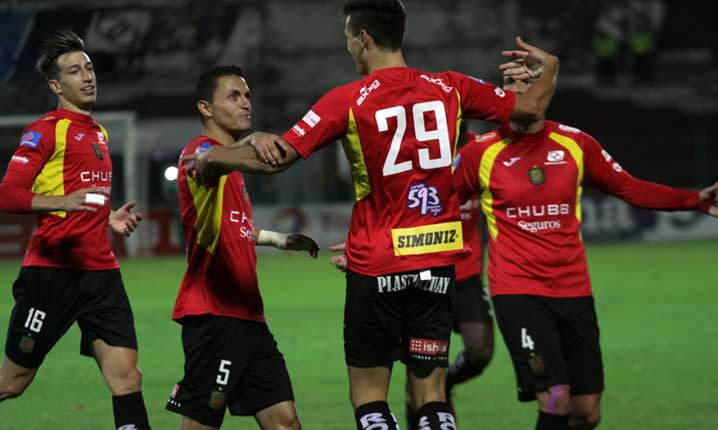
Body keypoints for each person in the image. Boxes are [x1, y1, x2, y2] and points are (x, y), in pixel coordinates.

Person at [183, 1, 559, 428]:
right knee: (432, 396)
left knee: (369, 397)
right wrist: (551, 67)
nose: (347, 47)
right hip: (436, 263)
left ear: (362, 38)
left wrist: (217, 159)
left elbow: (279, 158)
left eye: (347, 38)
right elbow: (530, 109)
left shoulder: (346, 100)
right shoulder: (452, 86)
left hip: (375, 263)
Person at [452, 68, 718, 430]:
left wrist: (693, 201)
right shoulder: (480, 152)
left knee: (586, 412)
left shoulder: (575, 144)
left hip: (573, 289)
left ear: (544, 93)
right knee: (555, 399)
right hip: (518, 291)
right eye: (511, 88)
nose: (521, 95)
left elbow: (630, 188)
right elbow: (436, 203)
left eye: (528, 85)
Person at [0, 30, 149, 430]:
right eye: (74, 70)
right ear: (55, 85)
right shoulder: (45, 130)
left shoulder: (98, 132)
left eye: (89, 67)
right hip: (51, 275)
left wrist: (110, 216)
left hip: (101, 275)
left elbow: (88, 198)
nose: (87, 76)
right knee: (12, 383)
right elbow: (8, 194)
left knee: (127, 379)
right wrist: (61, 202)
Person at [165, 65, 319, 430]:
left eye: (247, 95)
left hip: (249, 317)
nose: (246, 103)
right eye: (234, 96)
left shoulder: (228, 167)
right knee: (201, 423)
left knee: (285, 422)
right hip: (214, 315)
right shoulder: (200, 152)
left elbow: (236, 229)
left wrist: (279, 240)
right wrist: (256, 140)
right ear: (206, 108)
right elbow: (214, 160)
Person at [328, 127, 495, 429]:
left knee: (480, 351)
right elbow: (396, 208)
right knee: (423, 378)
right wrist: (369, 248)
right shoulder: (419, 148)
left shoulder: (480, 149)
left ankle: (446, 385)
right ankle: (428, 401)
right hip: (417, 269)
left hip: (465, 275)